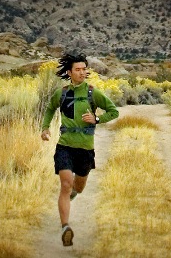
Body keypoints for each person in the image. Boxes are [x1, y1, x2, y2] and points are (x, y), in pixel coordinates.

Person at [40, 52, 118, 247]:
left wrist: (97, 119)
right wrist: (45, 128)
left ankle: (73, 193)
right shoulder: (62, 93)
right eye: (78, 69)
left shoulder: (92, 93)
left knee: (78, 187)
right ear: (69, 72)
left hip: (85, 149)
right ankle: (65, 227)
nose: (82, 72)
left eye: (84, 69)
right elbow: (49, 109)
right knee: (66, 184)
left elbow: (114, 111)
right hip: (65, 146)